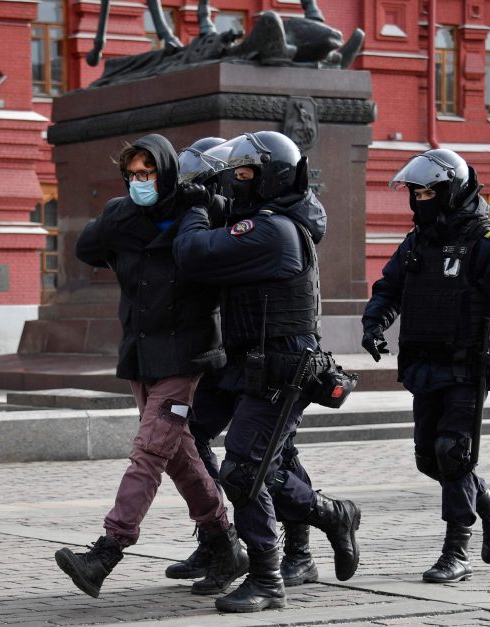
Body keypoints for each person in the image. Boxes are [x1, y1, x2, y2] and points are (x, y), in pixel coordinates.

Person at [54, 133, 248, 599]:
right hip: (140, 354)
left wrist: (208, 207)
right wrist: (120, 242)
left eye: (149, 173)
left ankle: (108, 550)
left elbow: (235, 243)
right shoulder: (121, 215)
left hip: (187, 353)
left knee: (148, 452)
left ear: (167, 171)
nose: (140, 181)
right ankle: (225, 544)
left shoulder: (200, 208)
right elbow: (85, 247)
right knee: (179, 457)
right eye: (134, 175)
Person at [174, 131, 361, 613]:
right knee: (192, 432)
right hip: (245, 360)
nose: (236, 183)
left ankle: (267, 576)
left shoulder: (271, 229)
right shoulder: (257, 219)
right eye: (233, 174)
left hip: (280, 365)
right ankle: (325, 518)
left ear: (271, 177)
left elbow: (194, 254)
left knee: (246, 469)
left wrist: (195, 208)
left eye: (244, 175)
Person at [361, 149, 490, 584]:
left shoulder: (486, 242)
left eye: (430, 191)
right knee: (428, 459)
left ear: (452, 191)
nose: (422, 199)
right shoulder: (417, 241)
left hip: (466, 368)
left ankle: (457, 551)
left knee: (453, 453)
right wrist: (374, 322)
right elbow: (389, 285)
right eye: (417, 192)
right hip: (423, 366)